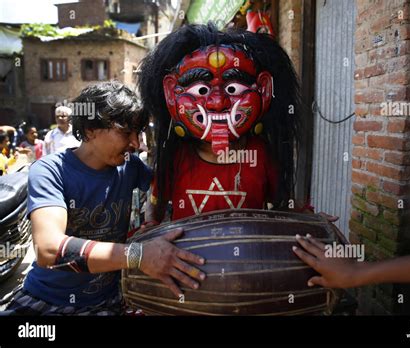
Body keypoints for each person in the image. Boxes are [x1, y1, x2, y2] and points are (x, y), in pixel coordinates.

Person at [1, 81, 205, 316]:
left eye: (138, 133)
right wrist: (139, 255)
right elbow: (49, 250)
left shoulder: (130, 166)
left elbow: (163, 188)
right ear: (90, 129)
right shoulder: (49, 171)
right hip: (48, 301)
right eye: (126, 132)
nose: (136, 144)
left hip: (110, 302)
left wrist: (150, 221)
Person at [139, 23, 300, 222]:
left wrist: (310, 220)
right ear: (171, 94)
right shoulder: (175, 156)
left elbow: (283, 210)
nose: (217, 103)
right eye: (201, 91)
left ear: (264, 91)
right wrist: (151, 228)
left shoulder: (262, 154)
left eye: (233, 89)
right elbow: (155, 209)